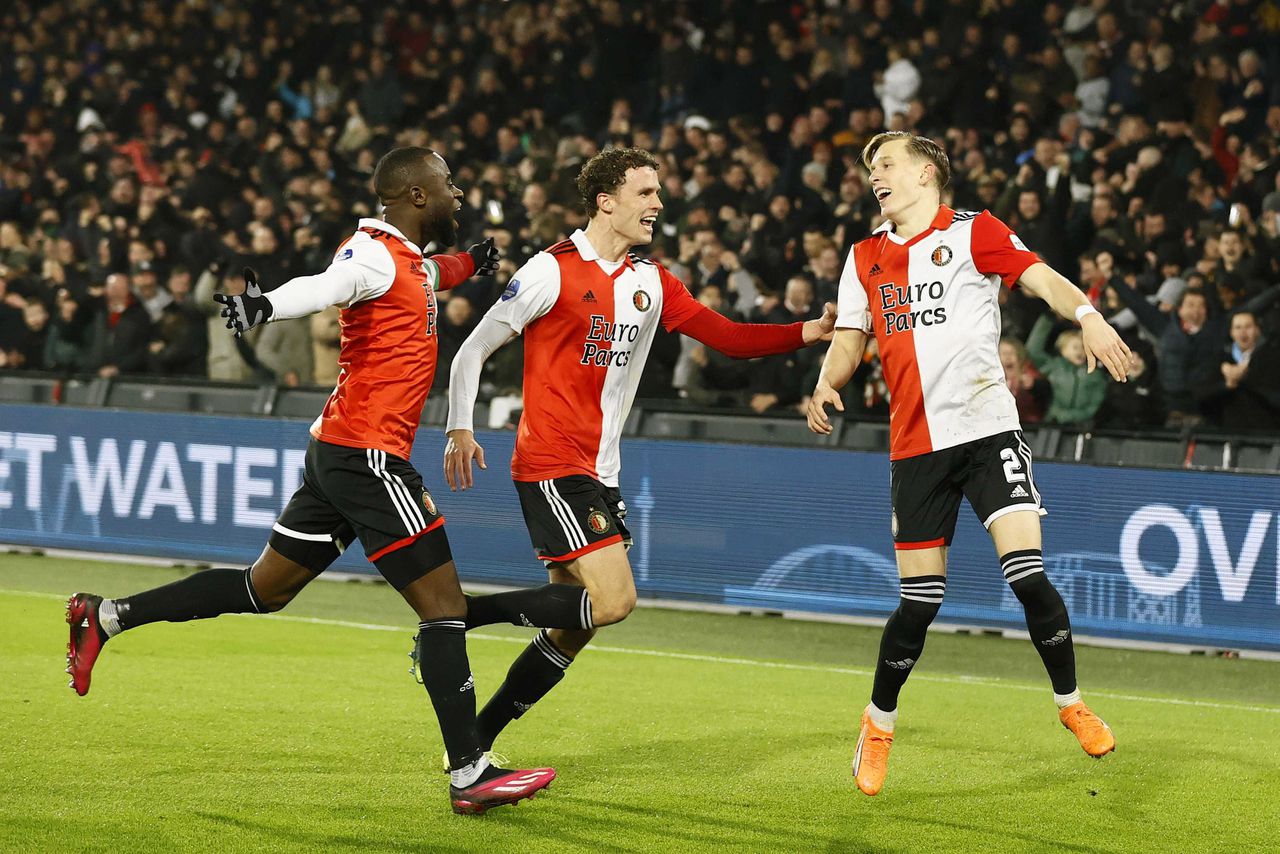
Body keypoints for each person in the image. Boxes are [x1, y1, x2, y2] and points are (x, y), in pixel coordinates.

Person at [65, 146, 555, 815]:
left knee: (262, 589)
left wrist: (472, 262)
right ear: (415, 195)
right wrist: (262, 304)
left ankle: (107, 616)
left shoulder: (406, 260)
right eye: (448, 183)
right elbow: (323, 287)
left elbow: (431, 272)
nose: (458, 192)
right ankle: (470, 771)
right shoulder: (372, 255)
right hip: (368, 457)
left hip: (337, 452)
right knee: (444, 611)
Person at [440, 147, 836, 767]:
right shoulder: (551, 271)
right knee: (616, 601)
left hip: (602, 471)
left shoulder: (652, 282)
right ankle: (458, 615)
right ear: (607, 200)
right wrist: (460, 428)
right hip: (551, 463)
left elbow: (727, 337)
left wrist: (803, 333)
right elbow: (471, 351)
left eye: (658, 192)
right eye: (646, 192)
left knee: (574, 627)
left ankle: (474, 745)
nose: (658, 203)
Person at [806, 132, 1131, 797]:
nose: (876, 176)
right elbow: (850, 335)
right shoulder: (864, 254)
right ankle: (878, 724)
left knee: (1029, 576)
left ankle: (1071, 703)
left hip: (988, 432)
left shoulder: (975, 231)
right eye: (872, 169)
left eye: (887, 163)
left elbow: (1040, 278)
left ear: (928, 174)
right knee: (919, 602)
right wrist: (826, 380)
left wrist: (1089, 315)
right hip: (916, 447)